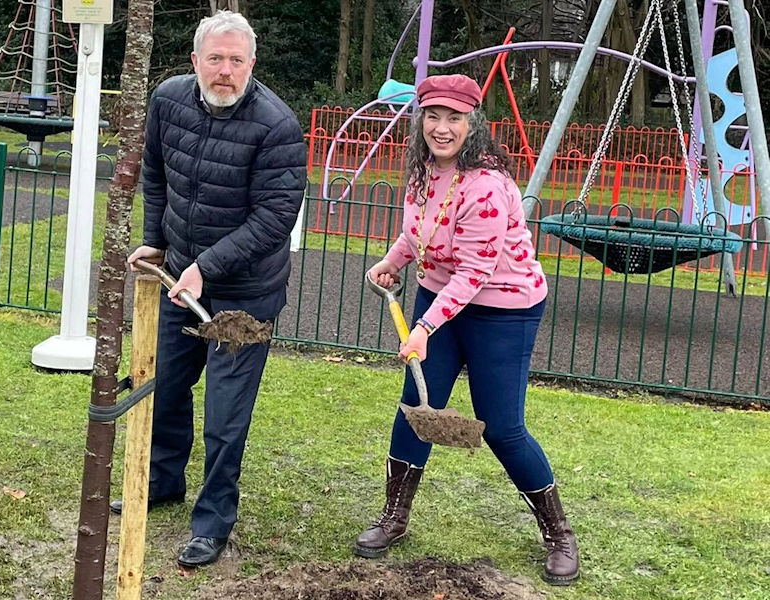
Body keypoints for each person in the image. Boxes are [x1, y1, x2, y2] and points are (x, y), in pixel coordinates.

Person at [353, 74, 579, 585]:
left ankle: (559, 532)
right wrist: (392, 260)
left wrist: (423, 328)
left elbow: (476, 272)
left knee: (501, 426)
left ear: (472, 123)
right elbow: (420, 233)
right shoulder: (420, 173)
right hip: (440, 295)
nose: (441, 127)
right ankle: (394, 517)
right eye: (432, 115)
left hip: (504, 307)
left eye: (453, 117)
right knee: (416, 407)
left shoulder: (488, 186)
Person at [121, 10, 307, 568]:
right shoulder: (169, 101)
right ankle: (162, 481)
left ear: (252, 64)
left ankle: (212, 521)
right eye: (215, 58)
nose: (225, 71)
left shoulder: (278, 126)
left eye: (236, 60)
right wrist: (156, 241)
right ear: (195, 61)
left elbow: (276, 217)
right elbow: (156, 172)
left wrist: (207, 265)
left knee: (226, 414)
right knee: (166, 385)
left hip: (246, 294)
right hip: (181, 276)